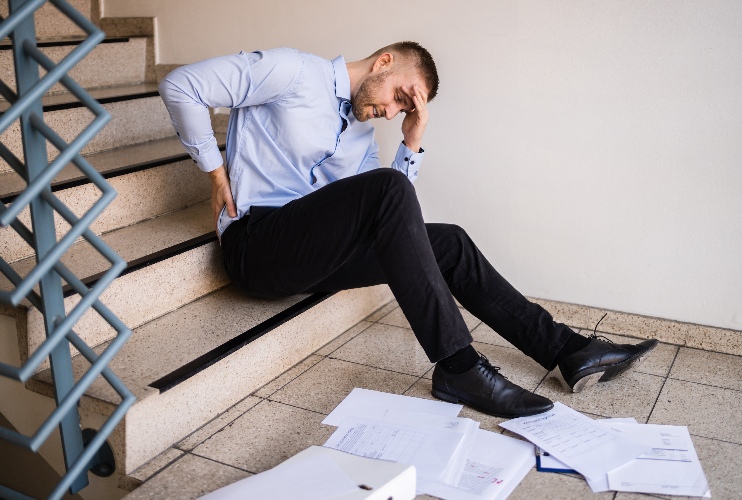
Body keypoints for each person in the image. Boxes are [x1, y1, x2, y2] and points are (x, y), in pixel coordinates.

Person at [159, 41, 657, 419]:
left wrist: (412, 142)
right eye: (399, 97)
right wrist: (214, 170)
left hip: (310, 255)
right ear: (382, 62)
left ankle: (568, 351)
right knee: (388, 188)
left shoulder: (358, 137)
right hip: (257, 246)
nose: (392, 112)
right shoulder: (293, 71)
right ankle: (459, 367)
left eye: (404, 109)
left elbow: (392, 221)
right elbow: (182, 84)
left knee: (450, 241)